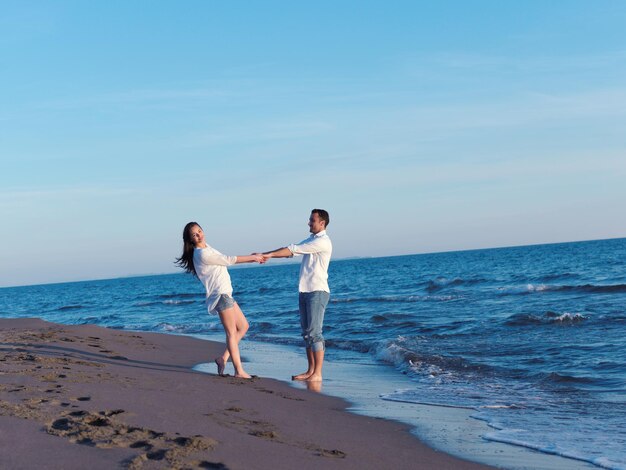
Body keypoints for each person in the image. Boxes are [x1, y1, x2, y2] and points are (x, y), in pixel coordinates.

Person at [175, 222, 264, 379]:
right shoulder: (202, 254)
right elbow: (228, 259)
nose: (199, 235)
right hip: (220, 295)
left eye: (199, 231)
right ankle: (239, 371)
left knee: (243, 326)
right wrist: (253, 258)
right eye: (194, 235)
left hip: (226, 294)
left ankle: (223, 358)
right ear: (191, 239)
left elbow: (224, 260)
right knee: (231, 333)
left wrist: (253, 258)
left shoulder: (207, 248)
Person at [260, 209, 332, 382]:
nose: (309, 223)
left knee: (315, 333)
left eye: (312, 220)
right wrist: (268, 254)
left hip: (317, 292)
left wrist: (267, 255)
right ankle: (310, 371)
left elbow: (292, 250)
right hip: (305, 291)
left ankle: (318, 373)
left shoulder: (323, 242)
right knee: (307, 333)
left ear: (322, 223)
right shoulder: (312, 240)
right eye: (309, 219)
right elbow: (291, 250)